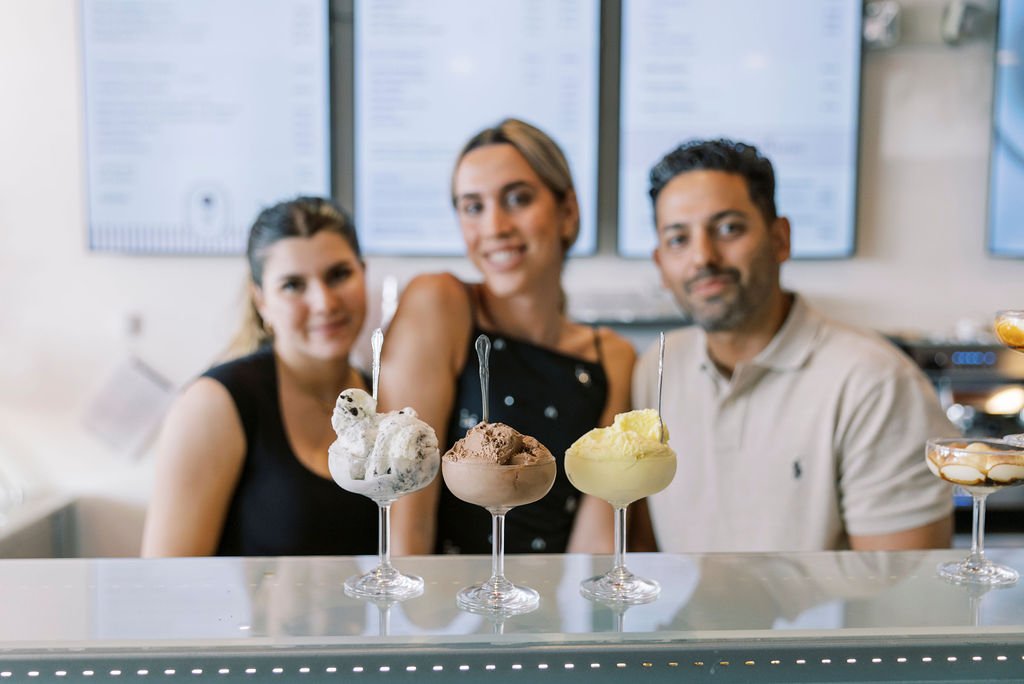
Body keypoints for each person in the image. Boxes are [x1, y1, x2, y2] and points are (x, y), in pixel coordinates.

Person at [633, 139, 956, 552]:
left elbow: (899, 591)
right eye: (678, 239)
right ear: (661, 264)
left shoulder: (875, 383)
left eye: (729, 228)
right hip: (684, 619)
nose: (702, 257)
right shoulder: (657, 368)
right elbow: (641, 554)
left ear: (780, 239)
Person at [384, 118, 637, 555]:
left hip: (549, 611)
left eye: (517, 199)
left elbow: (597, 540)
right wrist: (415, 622)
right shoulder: (439, 303)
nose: (495, 227)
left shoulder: (612, 357)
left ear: (568, 211)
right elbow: (406, 512)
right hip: (443, 608)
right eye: (472, 207)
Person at [141, 197, 378, 557]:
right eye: (293, 285)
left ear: (364, 274)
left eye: (339, 275)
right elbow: (166, 582)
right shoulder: (214, 404)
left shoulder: (385, 398)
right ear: (261, 301)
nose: (324, 303)